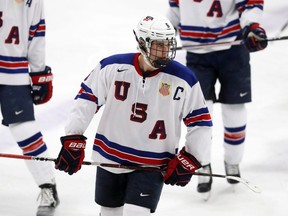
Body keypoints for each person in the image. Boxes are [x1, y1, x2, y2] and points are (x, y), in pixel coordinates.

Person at [55, 15, 212, 216]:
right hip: (110, 157)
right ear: (141, 43)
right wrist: (73, 138)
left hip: (152, 163)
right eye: (158, 45)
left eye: (168, 44)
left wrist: (191, 157)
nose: (165, 51)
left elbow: (200, 122)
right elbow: (86, 100)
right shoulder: (111, 67)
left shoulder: (184, 80)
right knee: (109, 212)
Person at [167, 0, 268, 194]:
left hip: (233, 49)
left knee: (234, 111)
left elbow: (249, 4)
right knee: (200, 113)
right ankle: (202, 163)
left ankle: (233, 162)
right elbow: (175, 10)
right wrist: (165, 33)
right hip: (197, 54)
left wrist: (252, 27)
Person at [0, 0, 59, 215]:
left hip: (14, 73)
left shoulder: (34, 2)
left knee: (25, 130)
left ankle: (47, 185)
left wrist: (38, 73)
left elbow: (36, 36)